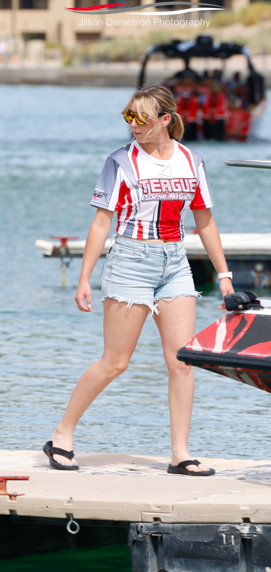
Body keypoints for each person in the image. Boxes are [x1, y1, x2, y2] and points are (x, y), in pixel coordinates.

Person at [44, 85, 234, 477]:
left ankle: (180, 454)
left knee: (182, 362)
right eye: (127, 116)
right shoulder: (120, 161)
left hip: (175, 262)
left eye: (141, 118)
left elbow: (205, 221)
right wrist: (84, 278)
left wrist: (225, 274)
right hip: (130, 260)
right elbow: (101, 223)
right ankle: (62, 435)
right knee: (116, 362)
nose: (133, 125)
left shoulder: (191, 161)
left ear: (165, 120)